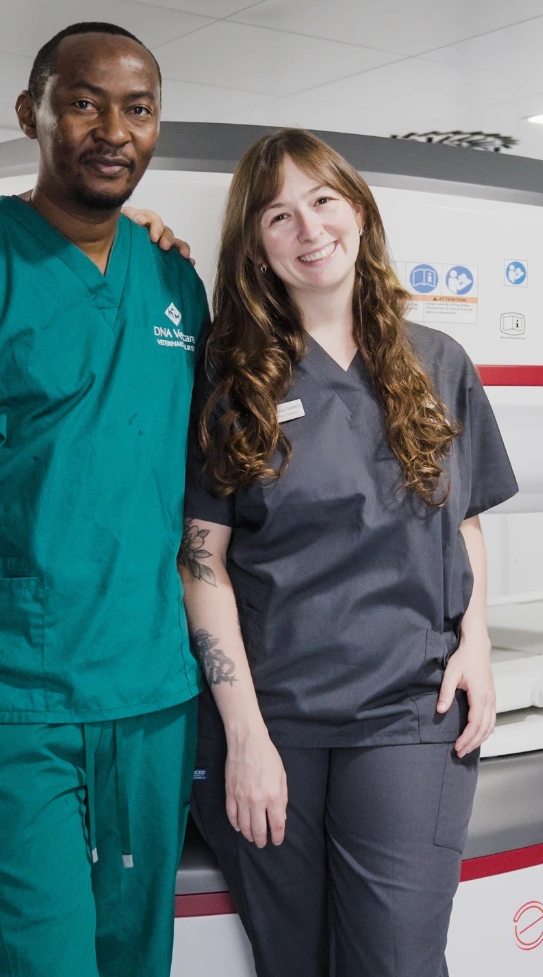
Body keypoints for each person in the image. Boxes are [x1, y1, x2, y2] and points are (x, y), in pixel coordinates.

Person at [0, 22, 206, 977]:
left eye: (139, 108)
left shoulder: (175, 281)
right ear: (31, 113)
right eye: (83, 102)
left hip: (148, 690)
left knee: (134, 959)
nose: (113, 129)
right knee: (39, 961)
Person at [179, 128, 516, 977]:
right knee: (292, 959)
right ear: (256, 246)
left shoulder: (438, 361)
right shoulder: (230, 376)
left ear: (359, 212)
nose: (308, 228)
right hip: (274, 714)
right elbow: (202, 561)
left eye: (323, 201)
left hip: (407, 710)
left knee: (396, 961)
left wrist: (476, 640)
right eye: (277, 216)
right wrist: (245, 737)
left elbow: (465, 518)